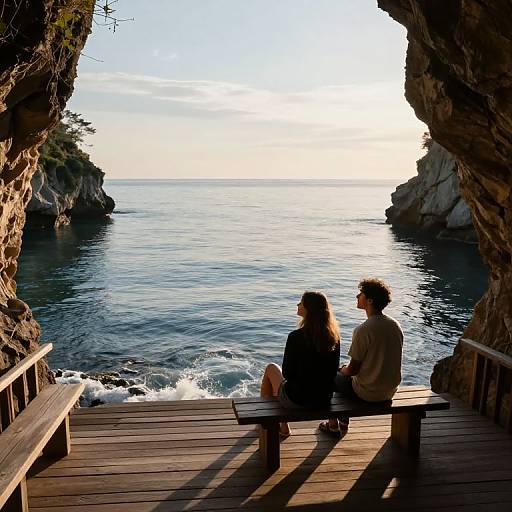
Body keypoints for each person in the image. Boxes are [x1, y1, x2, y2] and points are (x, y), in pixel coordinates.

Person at [319, 278, 403, 436]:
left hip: (368, 393)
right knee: (343, 378)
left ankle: (333, 425)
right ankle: (343, 422)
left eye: (361, 294)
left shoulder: (364, 330)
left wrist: (341, 369)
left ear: (369, 300)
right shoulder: (394, 325)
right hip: (390, 390)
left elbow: (352, 370)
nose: (357, 296)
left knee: (330, 376)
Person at [260, 291, 341, 437]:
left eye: (301, 303)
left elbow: (287, 373)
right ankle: (333, 423)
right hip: (323, 398)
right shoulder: (333, 338)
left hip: (298, 399)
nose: (298, 305)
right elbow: (333, 370)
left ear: (308, 310)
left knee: (271, 369)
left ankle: (275, 425)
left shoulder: (295, 337)